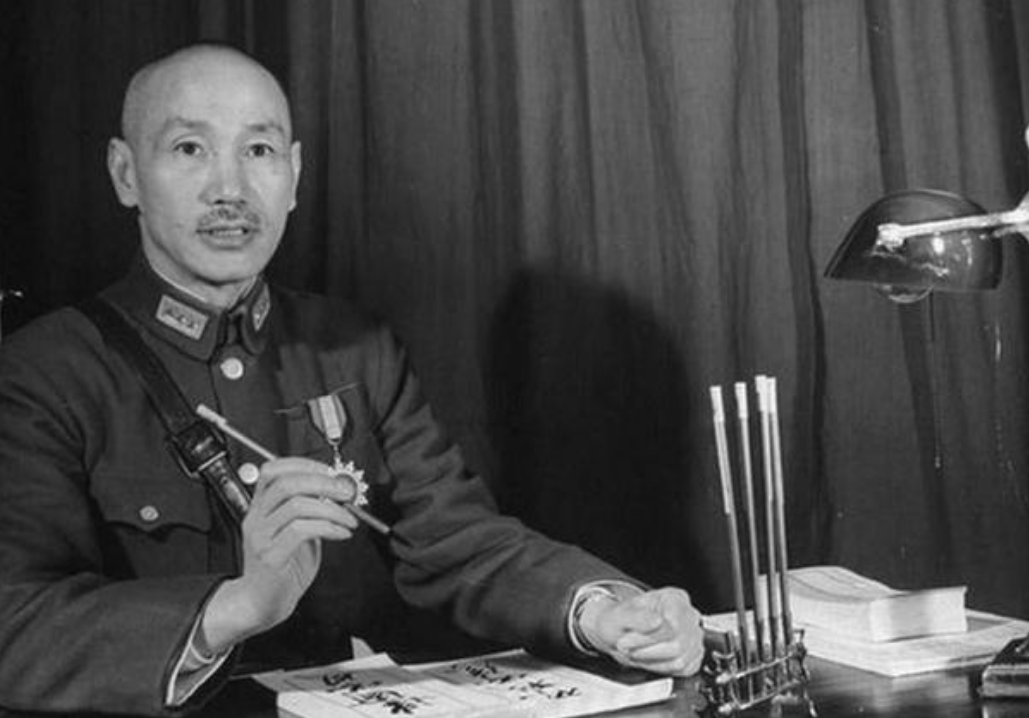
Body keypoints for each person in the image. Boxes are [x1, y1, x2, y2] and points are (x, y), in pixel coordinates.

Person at [0, 44, 704, 716]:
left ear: (294, 174)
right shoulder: (43, 372)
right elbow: (13, 621)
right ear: (126, 174)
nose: (230, 189)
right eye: (190, 149)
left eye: (258, 151)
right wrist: (236, 608)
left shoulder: (354, 349)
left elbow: (454, 538)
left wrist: (604, 612)